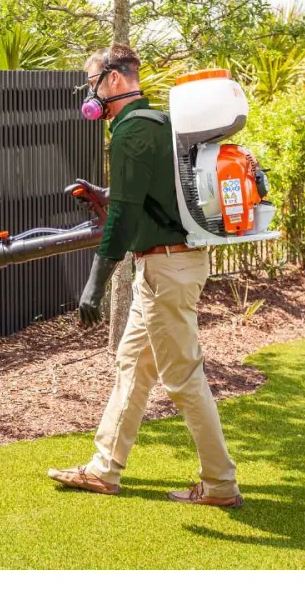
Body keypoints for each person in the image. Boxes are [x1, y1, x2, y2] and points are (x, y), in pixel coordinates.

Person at [47, 44, 244, 508]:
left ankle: (219, 485)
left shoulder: (131, 130)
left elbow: (124, 219)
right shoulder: (159, 123)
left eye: (93, 81)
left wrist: (94, 284)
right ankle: (103, 469)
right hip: (169, 264)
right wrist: (107, 193)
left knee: (184, 379)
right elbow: (147, 194)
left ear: (114, 80)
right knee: (132, 367)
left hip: (166, 268)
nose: (90, 92)